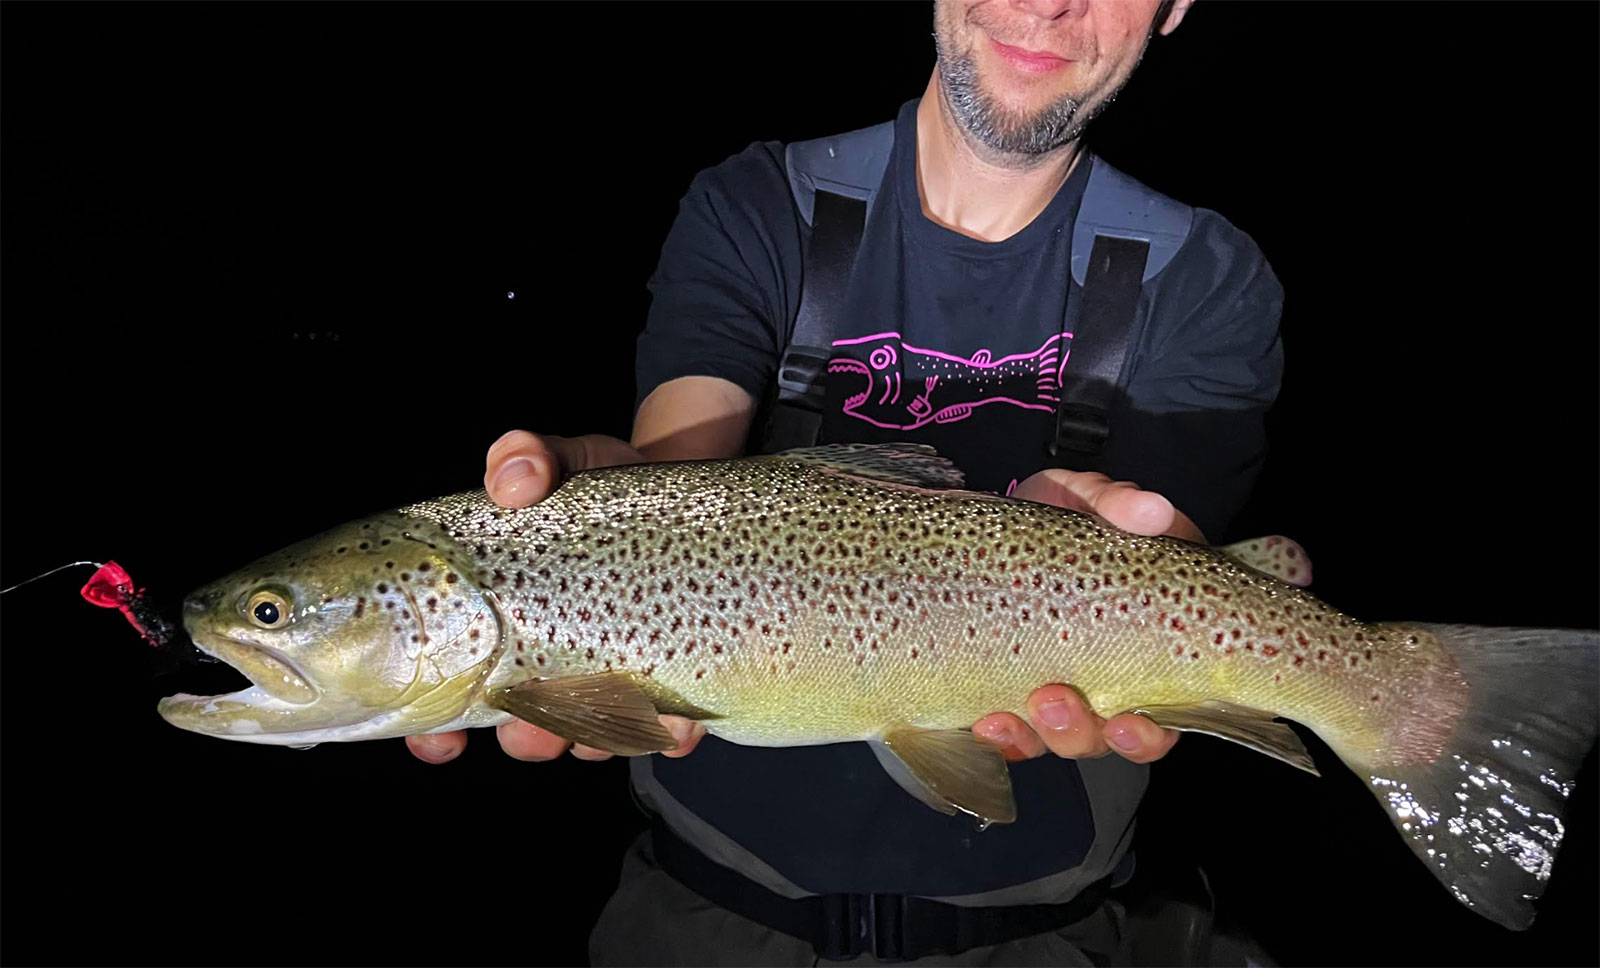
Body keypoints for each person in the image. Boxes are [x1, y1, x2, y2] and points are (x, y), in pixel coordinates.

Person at [409, 0, 1286, 963]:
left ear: (1175, 8)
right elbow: (683, 469)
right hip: (703, 919)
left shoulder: (1204, 276)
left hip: (1056, 936)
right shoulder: (759, 205)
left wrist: (1156, 573)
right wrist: (619, 499)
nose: (1047, 0)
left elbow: (1182, 568)